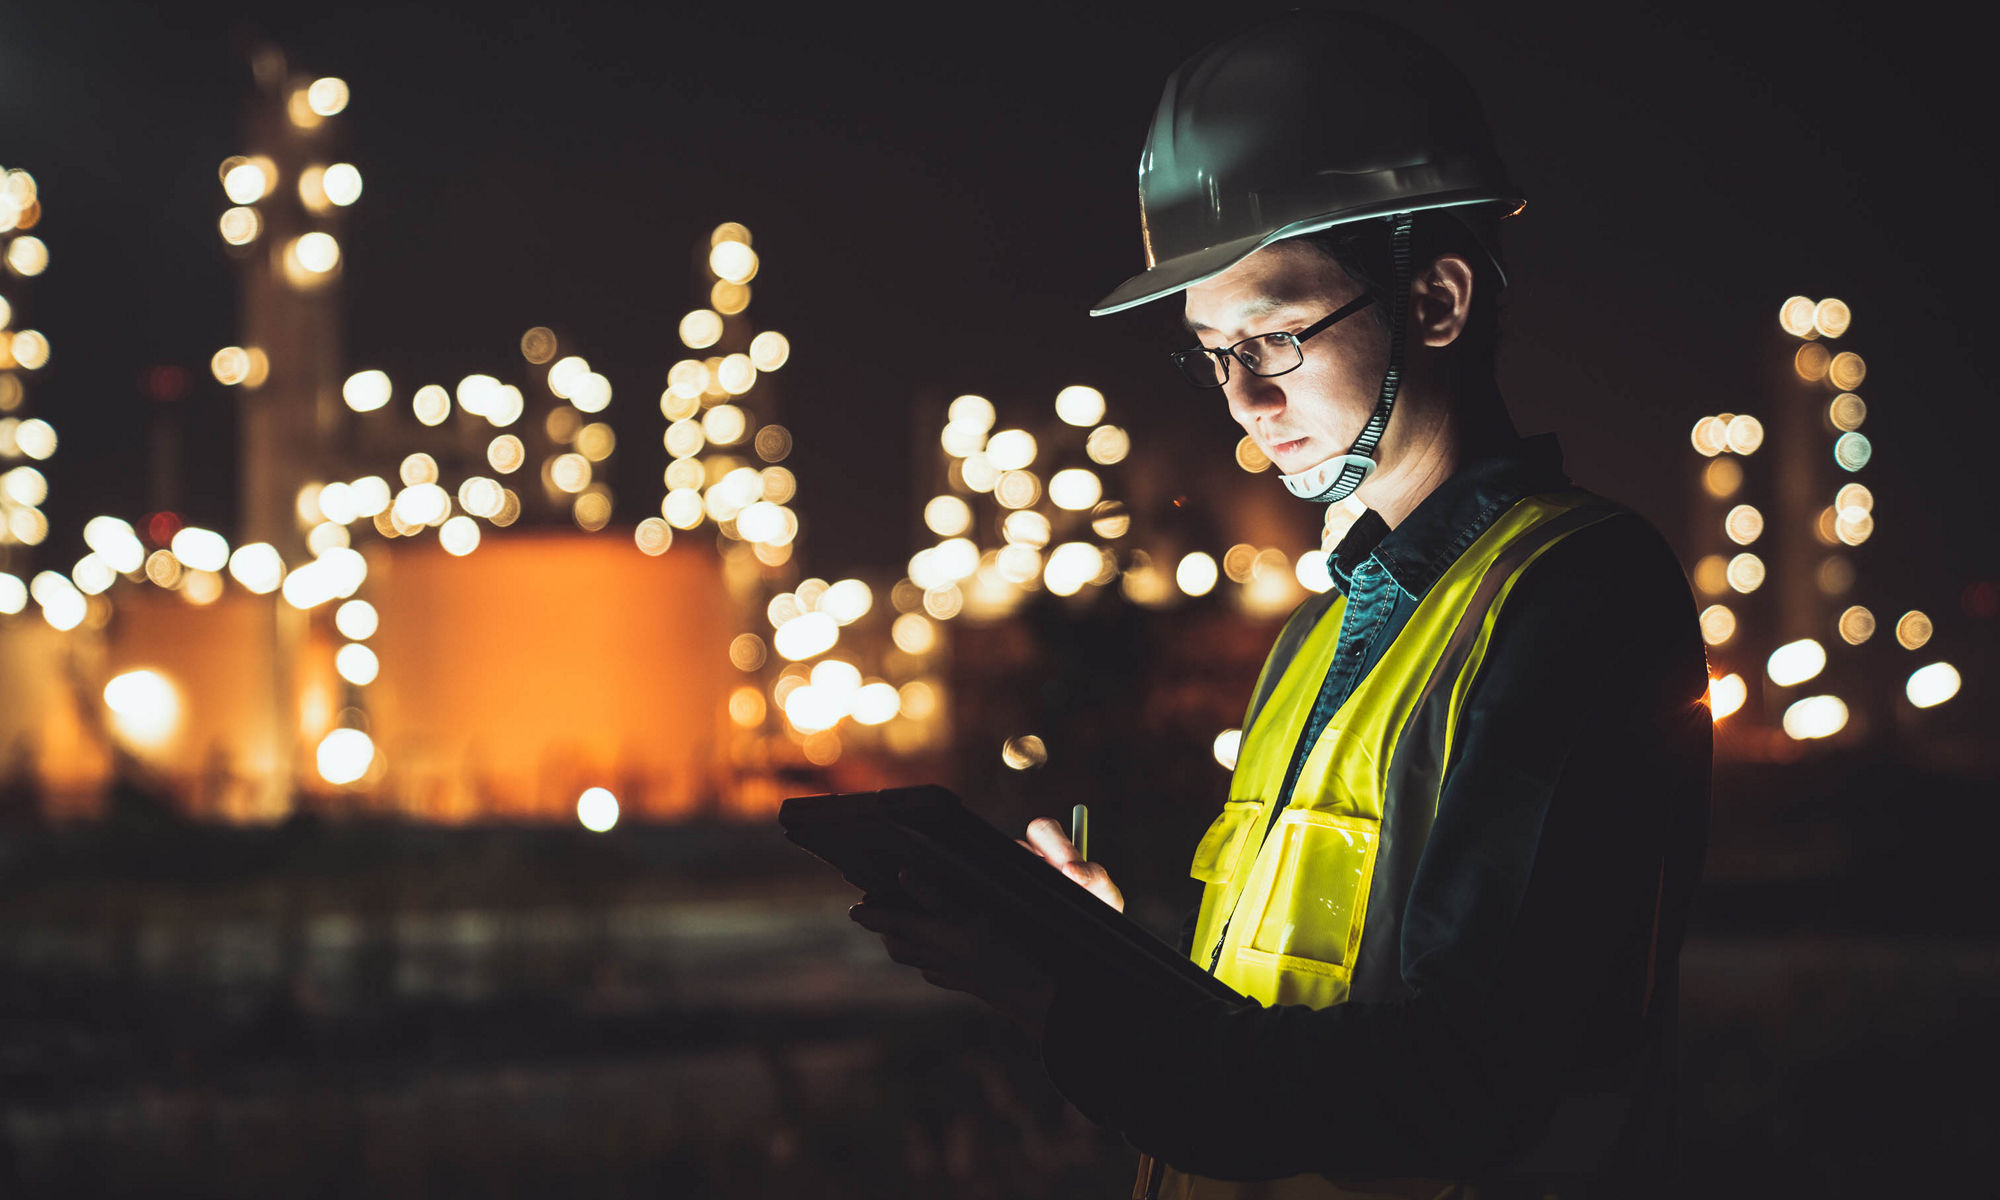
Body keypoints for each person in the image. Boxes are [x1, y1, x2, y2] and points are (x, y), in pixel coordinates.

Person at [852, 11, 1711, 1198]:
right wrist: (1093, 953)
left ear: (1437, 302)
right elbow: (1282, 1011)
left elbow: (1459, 1088)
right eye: (1210, 352)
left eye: (1273, 335)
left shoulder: (1575, 599)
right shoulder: (1313, 639)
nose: (1242, 396)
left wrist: (1055, 1003)